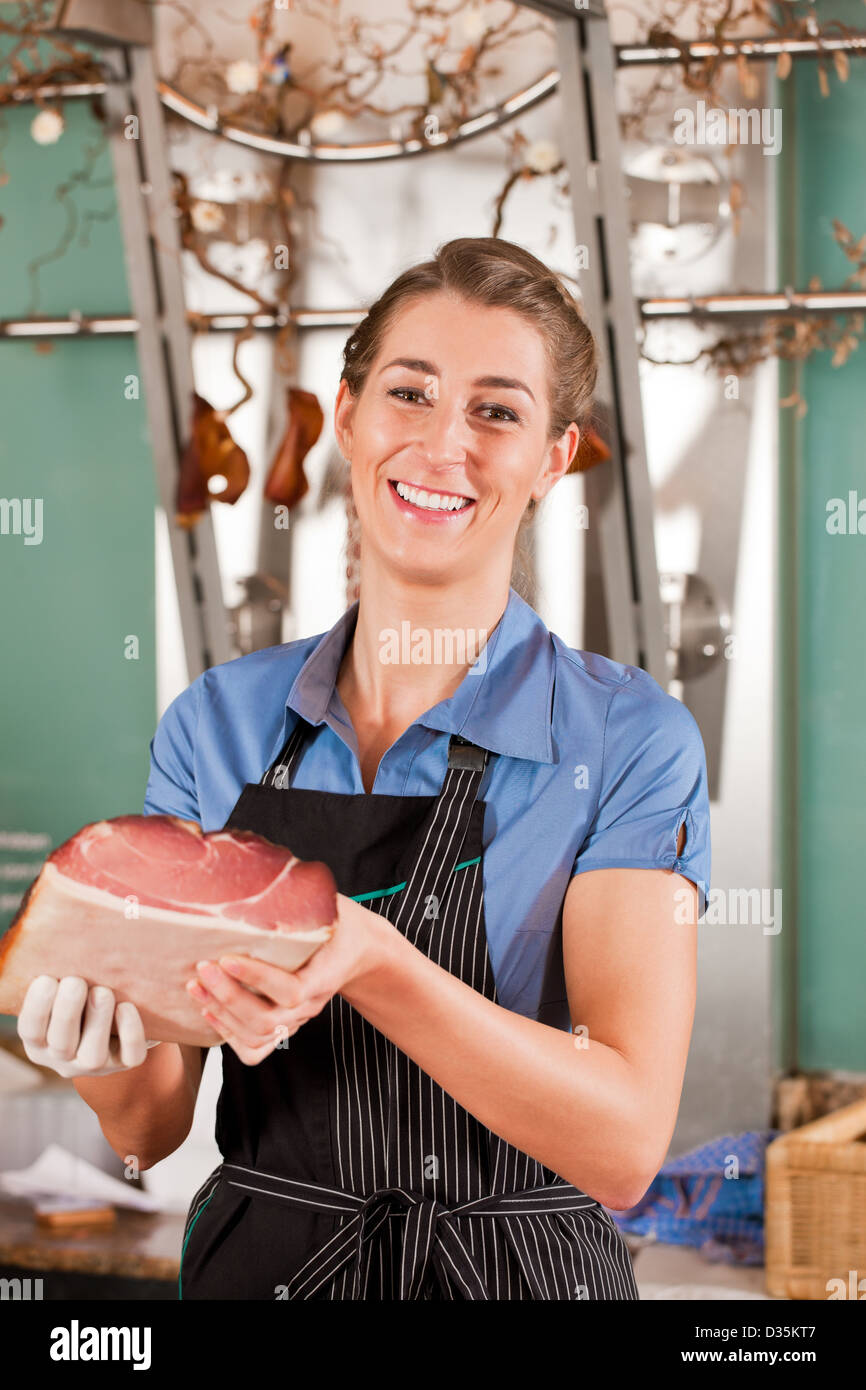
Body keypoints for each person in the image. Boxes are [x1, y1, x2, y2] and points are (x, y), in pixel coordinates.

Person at [18, 236, 710, 1301]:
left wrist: (374, 960)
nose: (441, 445)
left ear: (551, 458)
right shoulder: (220, 720)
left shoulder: (627, 740)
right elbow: (152, 1126)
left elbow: (620, 1146)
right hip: (265, 1274)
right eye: (409, 392)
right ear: (347, 416)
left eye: (496, 410)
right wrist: (93, 1046)